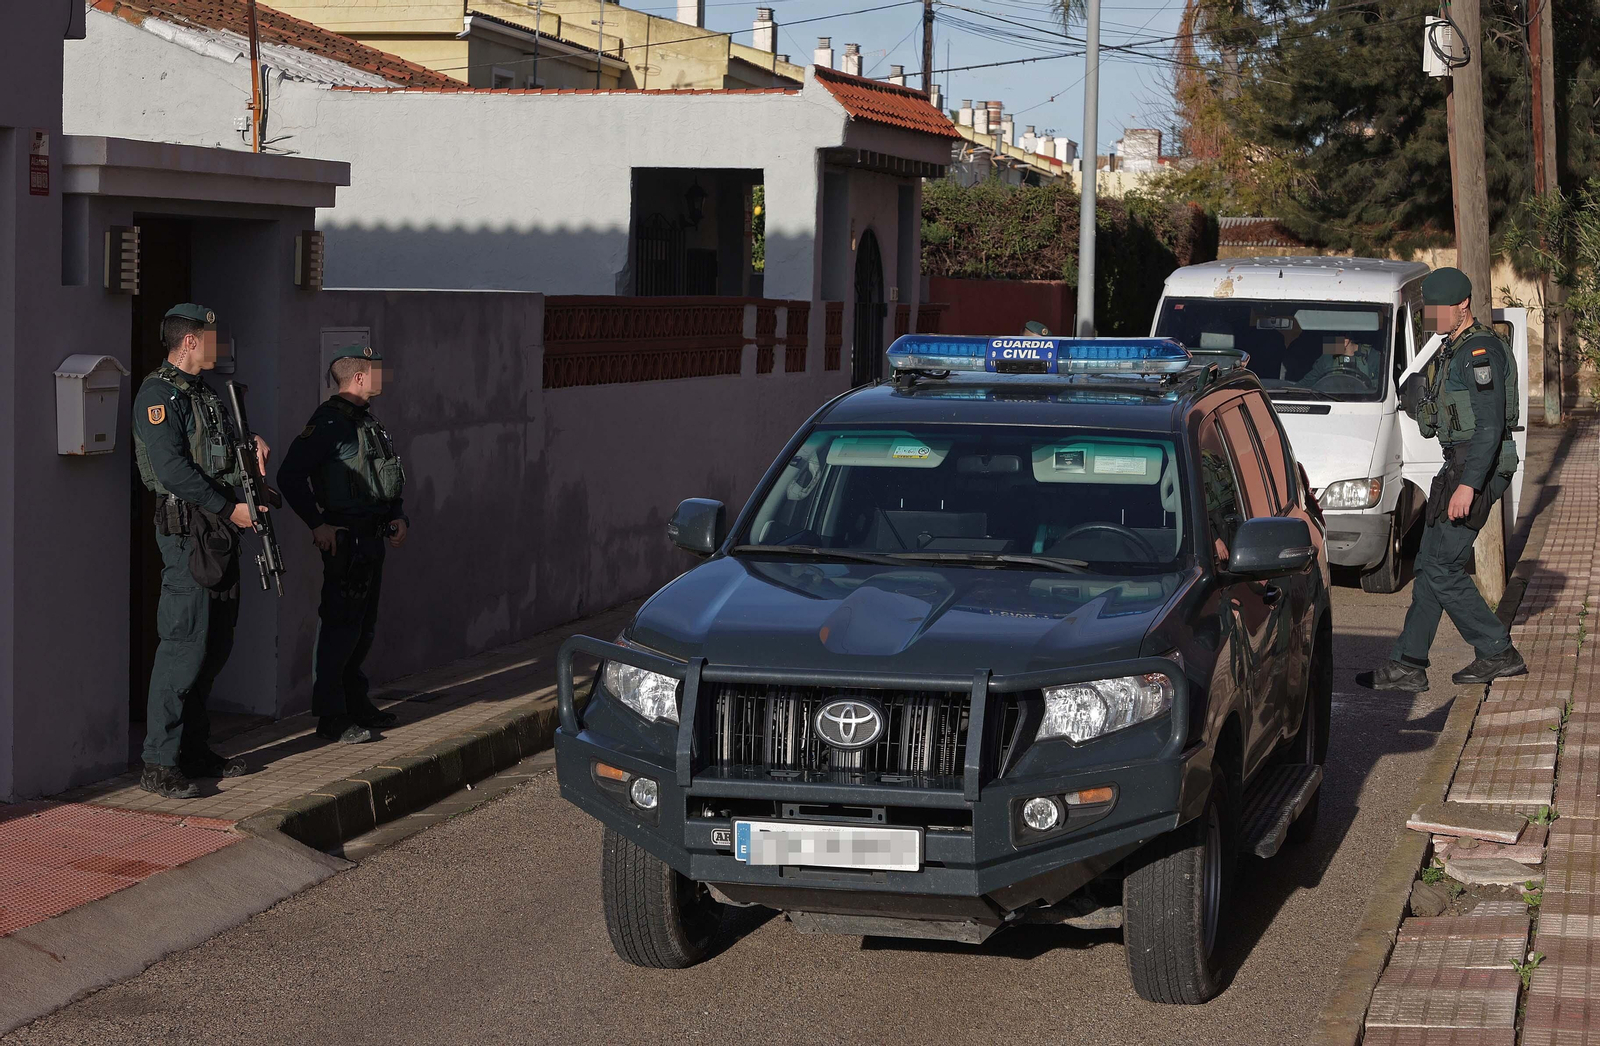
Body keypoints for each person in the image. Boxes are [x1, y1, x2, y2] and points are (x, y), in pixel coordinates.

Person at [1367, 267, 1526, 692]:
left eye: (1440, 310)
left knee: (1442, 566)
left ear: (1463, 306)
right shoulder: (1448, 349)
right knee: (1429, 563)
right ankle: (1408, 664)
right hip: (1456, 464)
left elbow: (1490, 428)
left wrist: (1469, 485)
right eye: (1430, 312)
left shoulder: (1480, 354)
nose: (1433, 318)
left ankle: (1497, 650)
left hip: (1478, 466)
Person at [130, 304, 264, 798]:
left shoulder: (204, 394)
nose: (218, 345)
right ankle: (158, 762)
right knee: (183, 648)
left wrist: (251, 442)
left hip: (218, 532)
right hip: (188, 534)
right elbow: (172, 471)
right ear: (189, 342)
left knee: (214, 645)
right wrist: (229, 508)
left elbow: (220, 449)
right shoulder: (156, 395)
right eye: (211, 337)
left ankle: (193, 749)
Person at [277, 345, 408, 744]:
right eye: (376, 371)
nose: (382, 377)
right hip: (346, 541)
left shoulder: (366, 421)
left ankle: (356, 702)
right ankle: (332, 716)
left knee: (362, 629)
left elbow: (380, 475)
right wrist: (318, 525)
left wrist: (397, 515)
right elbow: (290, 476)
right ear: (359, 377)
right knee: (339, 629)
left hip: (372, 537)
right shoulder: (330, 423)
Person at [1301, 333, 1379, 388]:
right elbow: (1307, 383)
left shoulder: (1373, 357)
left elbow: (1382, 385)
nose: (1327, 345)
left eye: (1330, 341)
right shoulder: (1327, 358)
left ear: (1345, 341)